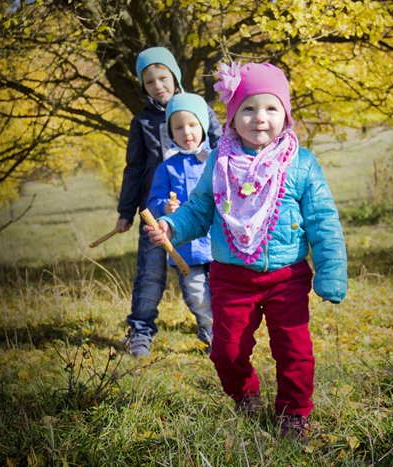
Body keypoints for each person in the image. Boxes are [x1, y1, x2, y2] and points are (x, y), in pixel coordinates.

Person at [144, 62, 347, 441]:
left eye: (271, 108)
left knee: (294, 349)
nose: (259, 118)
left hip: (286, 276)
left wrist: (331, 271)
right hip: (232, 277)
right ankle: (245, 394)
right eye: (247, 109)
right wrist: (172, 225)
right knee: (226, 350)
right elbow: (200, 208)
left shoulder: (301, 164)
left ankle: (294, 414)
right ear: (232, 118)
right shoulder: (219, 163)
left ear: (284, 114)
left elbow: (323, 221)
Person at [116, 47, 222, 357]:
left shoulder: (200, 110)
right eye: (149, 82)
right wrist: (126, 211)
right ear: (142, 86)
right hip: (155, 214)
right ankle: (140, 331)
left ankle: (215, 334)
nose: (158, 86)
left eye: (163, 77)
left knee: (209, 277)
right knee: (150, 275)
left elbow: (223, 148)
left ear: (174, 76)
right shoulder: (142, 122)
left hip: (201, 213)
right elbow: (134, 169)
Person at [146, 93, 214, 351]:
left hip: (218, 245)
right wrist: (163, 206)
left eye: (193, 125)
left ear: (203, 126)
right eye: (178, 127)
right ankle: (210, 333)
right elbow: (153, 202)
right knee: (197, 296)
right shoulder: (167, 168)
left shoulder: (216, 159)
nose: (187, 132)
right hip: (185, 250)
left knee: (222, 293)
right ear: (170, 132)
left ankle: (228, 336)